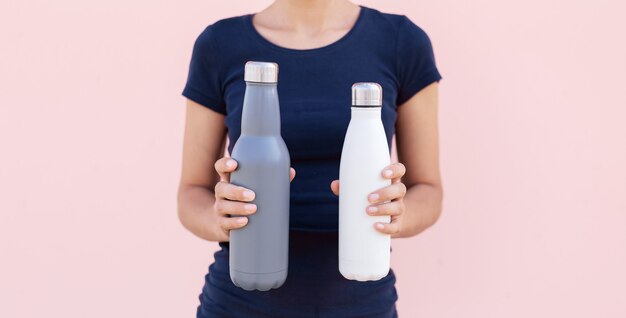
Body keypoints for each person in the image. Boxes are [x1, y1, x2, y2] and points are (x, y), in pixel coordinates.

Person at [178, 0, 443, 317]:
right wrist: (220, 218)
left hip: (362, 303)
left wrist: (397, 213)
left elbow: (428, 189)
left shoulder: (401, 42)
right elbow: (191, 192)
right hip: (240, 301)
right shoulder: (220, 44)